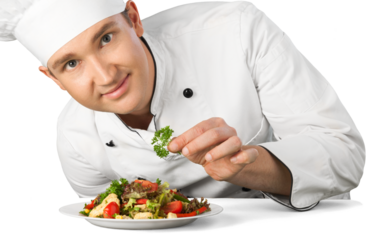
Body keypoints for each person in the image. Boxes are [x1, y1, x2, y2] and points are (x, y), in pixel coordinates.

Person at [1, 0, 366, 211]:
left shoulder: (236, 31)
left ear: (133, 17)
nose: (105, 76)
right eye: (71, 64)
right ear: (52, 79)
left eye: (107, 38)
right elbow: (110, 216)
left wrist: (246, 166)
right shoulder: (75, 139)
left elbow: (347, 157)